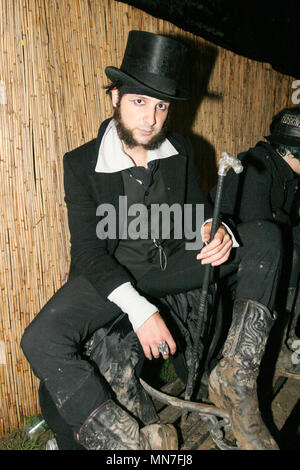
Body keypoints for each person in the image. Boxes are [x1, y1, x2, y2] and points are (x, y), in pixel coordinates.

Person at [21, 30, 282, 450]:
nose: (151, 118)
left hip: (168, 267)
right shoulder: (82, 163)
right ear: (115, 97)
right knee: (39, 338)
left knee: (263, 237)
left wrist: (214, 231)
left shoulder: (178, 147)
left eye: (161, 105)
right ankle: (132, 444)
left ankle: (236, 378)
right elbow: (87, 250)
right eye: (139, 101)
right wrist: (140, 311)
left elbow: (194, 214)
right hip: (109, 277)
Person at [210, 107, 300, 379]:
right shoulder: (257, 168)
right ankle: (247, 360)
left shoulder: (285, 174)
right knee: (292, 248)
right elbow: (261, 234)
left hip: (254, 260)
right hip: (222, 264)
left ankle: (280, 343)